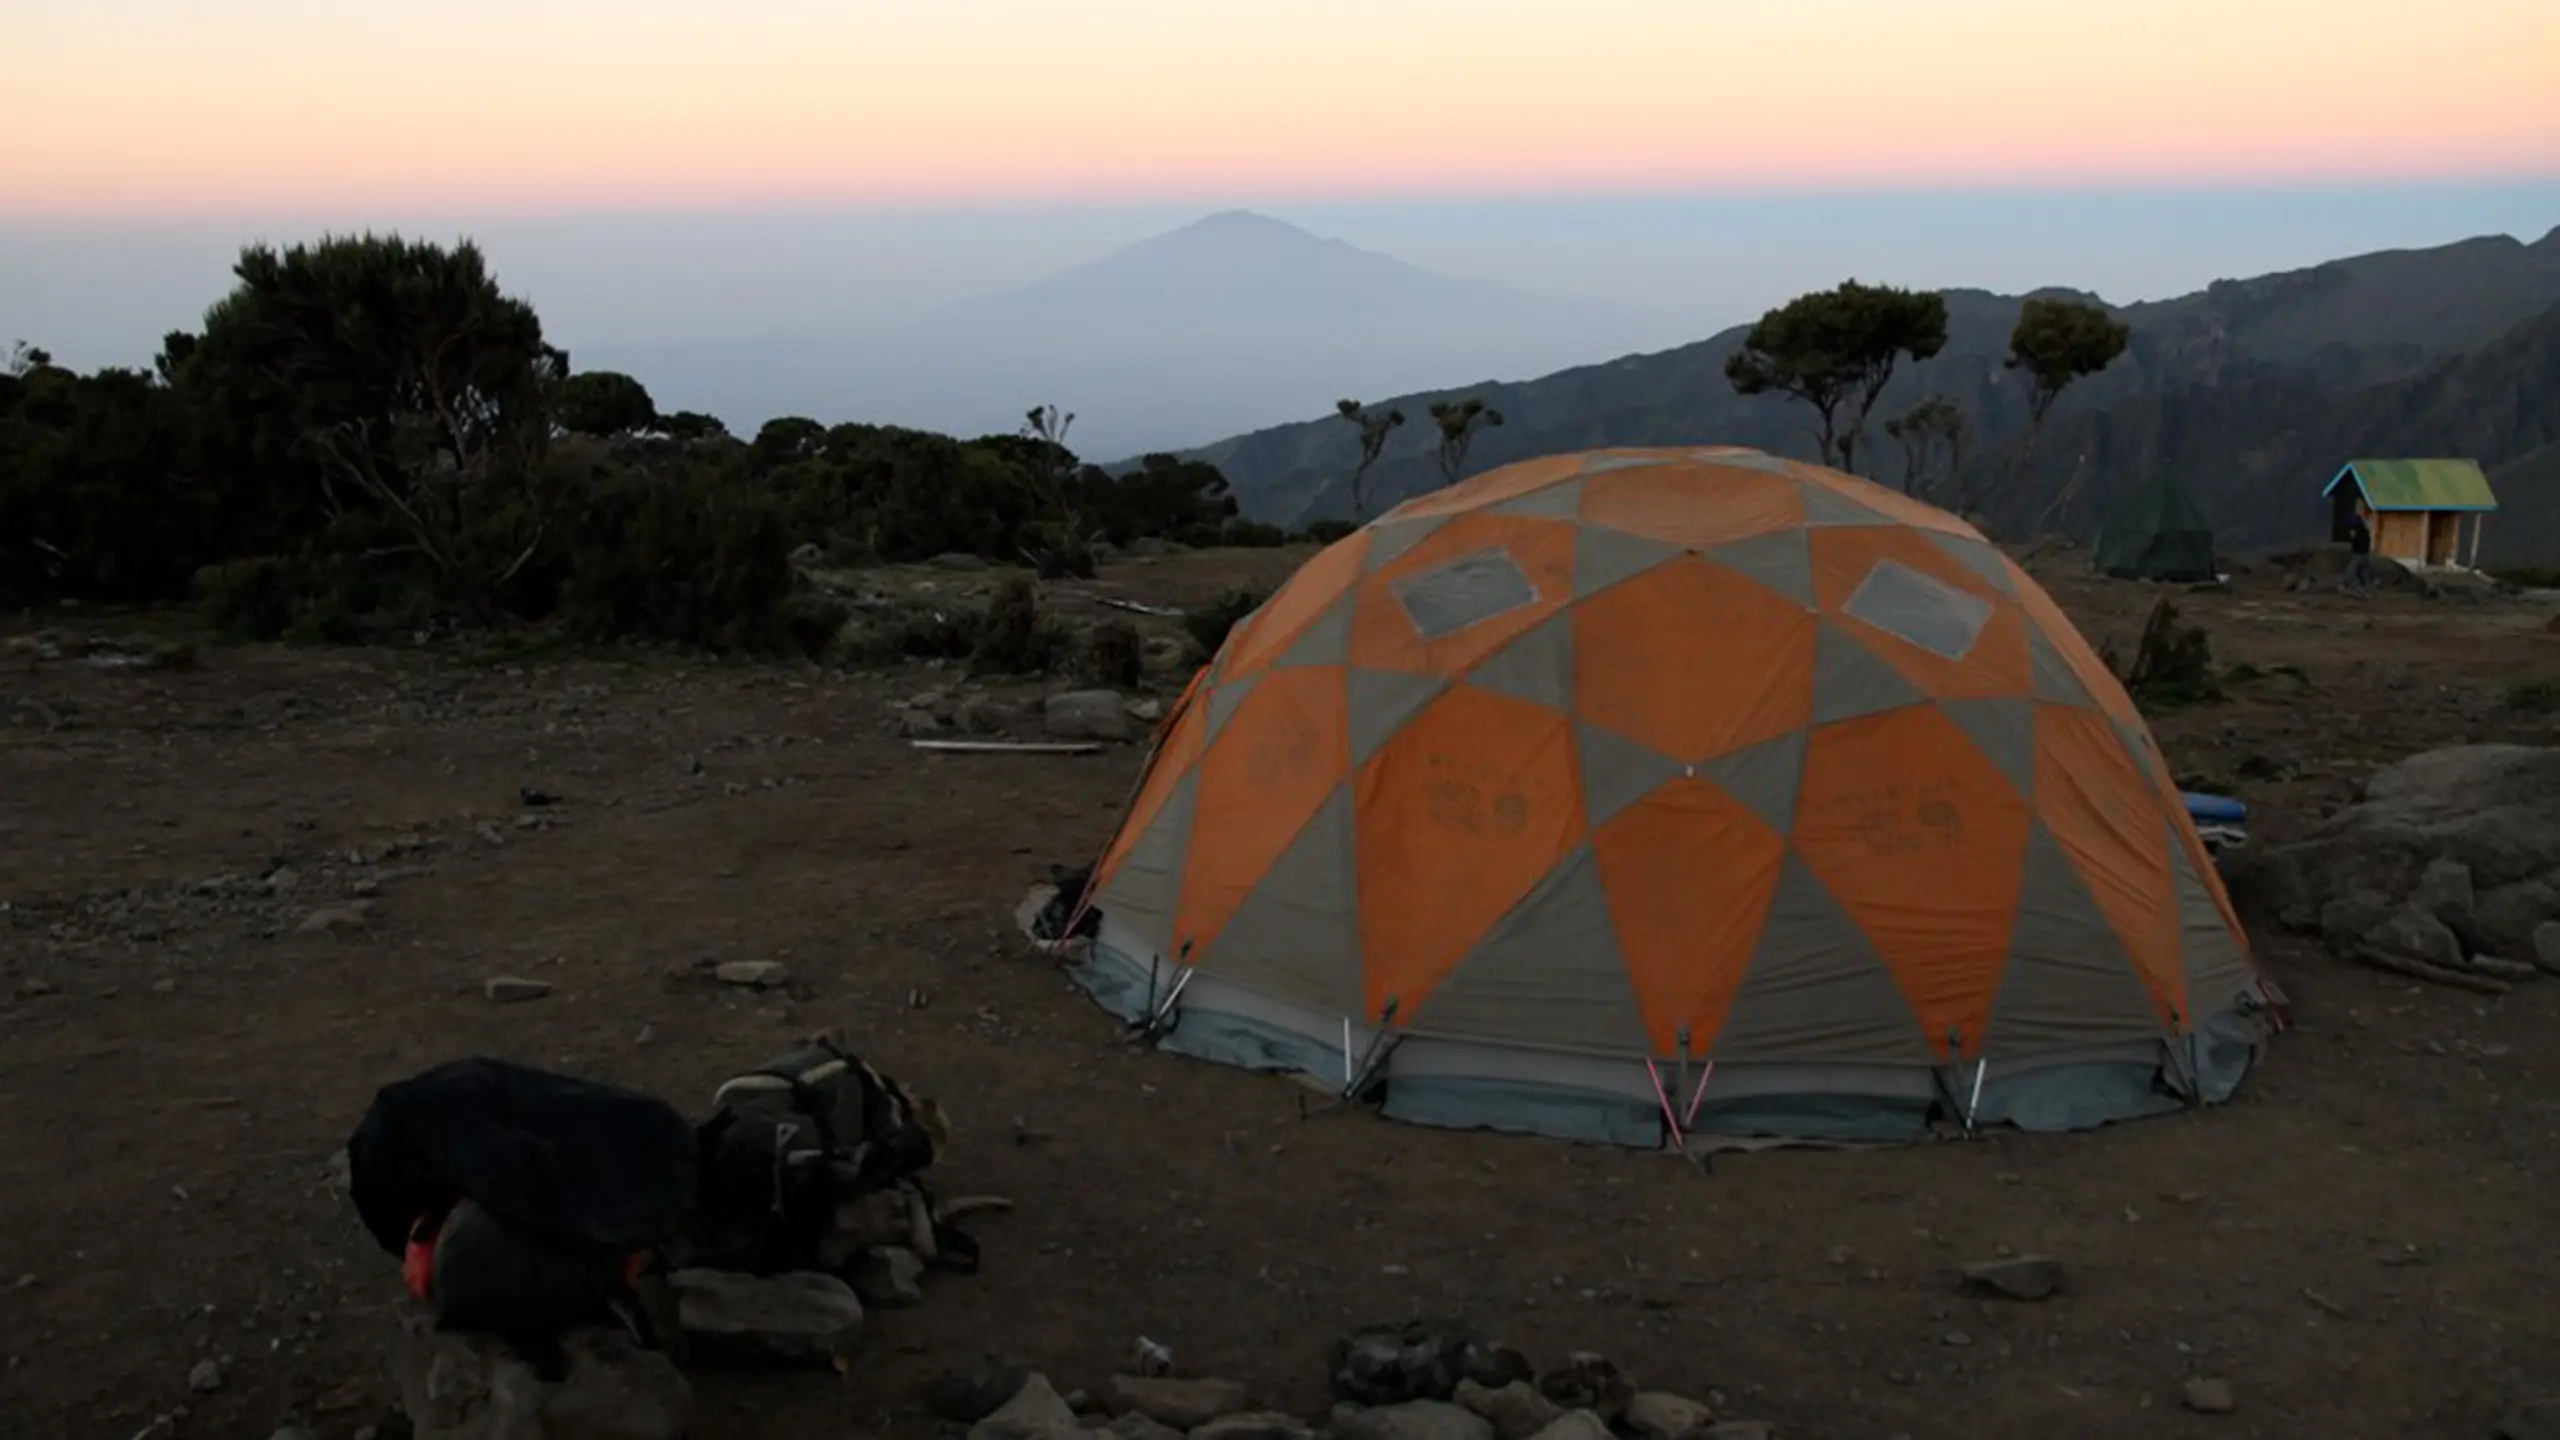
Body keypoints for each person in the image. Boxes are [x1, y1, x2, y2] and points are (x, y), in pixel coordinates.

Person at [2342, 508, 2375, 596]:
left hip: (2358, 554)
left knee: (2352, 570)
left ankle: (2347, 585)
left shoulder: (2358, 533)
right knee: (2365, 573)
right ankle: (2369, 589)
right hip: (2365, 554)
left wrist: (2354, 539)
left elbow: (2356, 543)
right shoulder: (2365, 531)